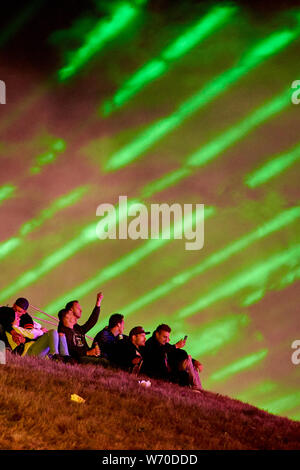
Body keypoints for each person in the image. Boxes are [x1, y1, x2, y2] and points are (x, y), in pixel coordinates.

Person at [142, 324, 203, 390]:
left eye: (167, 338)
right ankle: (197, 388)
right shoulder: (150, 344)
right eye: (164, 337)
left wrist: (194, 361)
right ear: (157, 334)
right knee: (183, 373)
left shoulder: (163, 344)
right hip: (158, 375)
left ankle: (198, 389)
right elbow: (159, 353)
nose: (166, 340)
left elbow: (178, 352)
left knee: (189, 361)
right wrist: (176, 346)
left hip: (167, 374)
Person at [58, 292, 108, 366]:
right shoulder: (63, 328)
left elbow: (91, 322)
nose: (81, 310)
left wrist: (98, 303)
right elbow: (70, 349)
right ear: (70, 311)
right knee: (104, 362)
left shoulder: (77, 328)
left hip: (86, 356)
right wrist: (88, 353)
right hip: (79, 359)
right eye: (78, 308)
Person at [4, 307, 70, 361]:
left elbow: (35, 325)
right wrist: (40, 331)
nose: (19, 319)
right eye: (17, 318)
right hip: (28, 352)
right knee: (52, 332)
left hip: (34, 349)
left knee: (60, 335)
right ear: (11, 320)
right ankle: (55, 356)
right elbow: (31, 334)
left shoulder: (18, 328)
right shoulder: (14, 328)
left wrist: (39, 329)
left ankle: (66, 358)